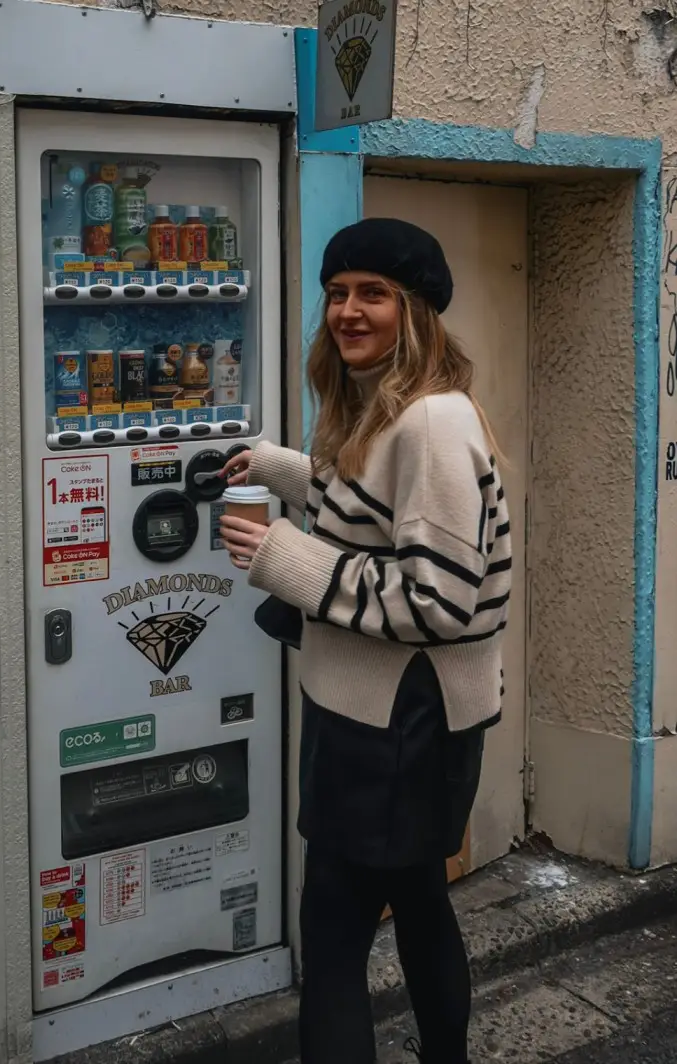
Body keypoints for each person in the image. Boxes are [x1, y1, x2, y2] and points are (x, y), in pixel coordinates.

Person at [217, 218, 510, 1064]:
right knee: (418, 902)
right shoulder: (392, 411)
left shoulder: (431, 427)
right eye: (338, 293)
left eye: (372, 294)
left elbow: (438, 599)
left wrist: (282, 557)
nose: (347, 310)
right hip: (395, 717)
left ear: (414, 311)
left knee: (335, 934)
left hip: (395, 725)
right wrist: (279, 468)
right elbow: (376, 516)